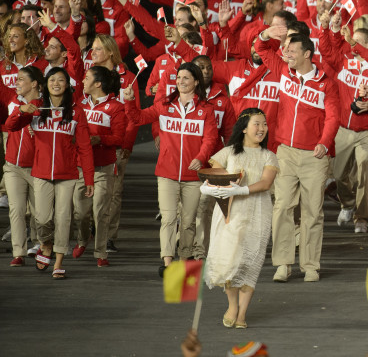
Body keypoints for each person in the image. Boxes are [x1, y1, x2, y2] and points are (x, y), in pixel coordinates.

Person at [256, 25, 340, 283]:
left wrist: (324, 143)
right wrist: (265, 33)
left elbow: (333, 117)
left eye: (292, 50)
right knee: (282, 207)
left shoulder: (326, 83)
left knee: (312, 211)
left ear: (307, 54)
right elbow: (260, 48)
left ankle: (310, 265)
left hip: (314, 156)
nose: (287, 54)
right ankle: (283, 264)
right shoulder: (283, 70)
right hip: (285, 152)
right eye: (286, 50)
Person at [123, 62, 219, 276]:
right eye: (178, 78)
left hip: (193, 176)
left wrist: (200, 157)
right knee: (168, 219)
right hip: (166, 173)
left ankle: (184, 260)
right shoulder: (164, 105)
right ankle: (167, 263)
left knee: (188, 222)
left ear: (196, 81)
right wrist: (129, 101)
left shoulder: (206, 109)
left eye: (186, 78)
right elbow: (138, 118)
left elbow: (210, 139)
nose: (181, 81)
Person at [7, 67, 94, 279]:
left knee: (63, 218)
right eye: (52, 79)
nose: (56, 83)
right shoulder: (36, 107)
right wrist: (21, 111)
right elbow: (11, 126)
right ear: (45, 84)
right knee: (42, 218)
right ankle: (45, 243)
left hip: (67, 174)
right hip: (41, 172)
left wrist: (89, 178)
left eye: (61, 80)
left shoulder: (76, 111)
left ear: (67, 85)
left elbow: (85, 147)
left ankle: (58, 262)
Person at [201, 108, 279, 329]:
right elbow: (214, 178)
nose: (262, 128)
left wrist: (241, 190)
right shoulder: (228, 153)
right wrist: (210, 188)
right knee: (230, 260)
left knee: (250, 262)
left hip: (258, 211)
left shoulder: (269, 156)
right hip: (230, 212)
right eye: (257, 124)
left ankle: (242, 312)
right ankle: (232, 306)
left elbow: (265, 183)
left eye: (264, 124)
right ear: (244, 128)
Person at [72, 66, 126, 266]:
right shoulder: (80, 103)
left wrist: (99, 139)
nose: (83, 81)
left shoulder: (116, 107)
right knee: (80, 212)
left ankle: (101, 252)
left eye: (87, 78)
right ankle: (82, 239)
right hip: (80, 166)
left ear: (98, 84)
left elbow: (119, 137)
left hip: (104, 167)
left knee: (100, 211)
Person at [2, 66, 42, 265]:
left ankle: (40, 245)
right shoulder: (13, 101)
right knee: (16, 209)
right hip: (13, 166)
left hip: (37, 167)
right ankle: (19, 253)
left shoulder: (45, 105)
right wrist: (20, 111)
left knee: (39, 213)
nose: (16, 83)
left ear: (34, 84)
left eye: (20, 79)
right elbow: (9, 125)